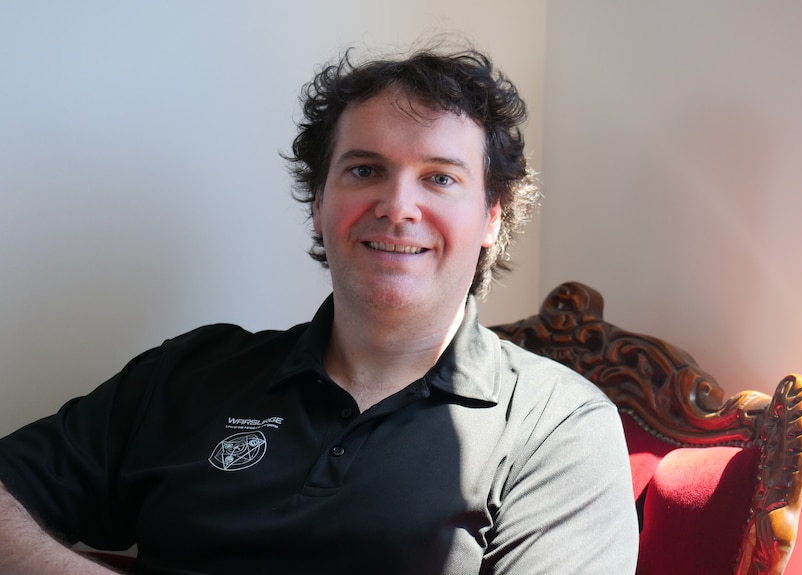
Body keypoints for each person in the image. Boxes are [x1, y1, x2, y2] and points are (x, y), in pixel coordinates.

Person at [0, 43, 639, 574]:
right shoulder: (189, 372)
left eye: (440, 177)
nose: (398, 205)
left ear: (490, 219)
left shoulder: (559, 429)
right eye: (365, 170)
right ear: (319, 203)